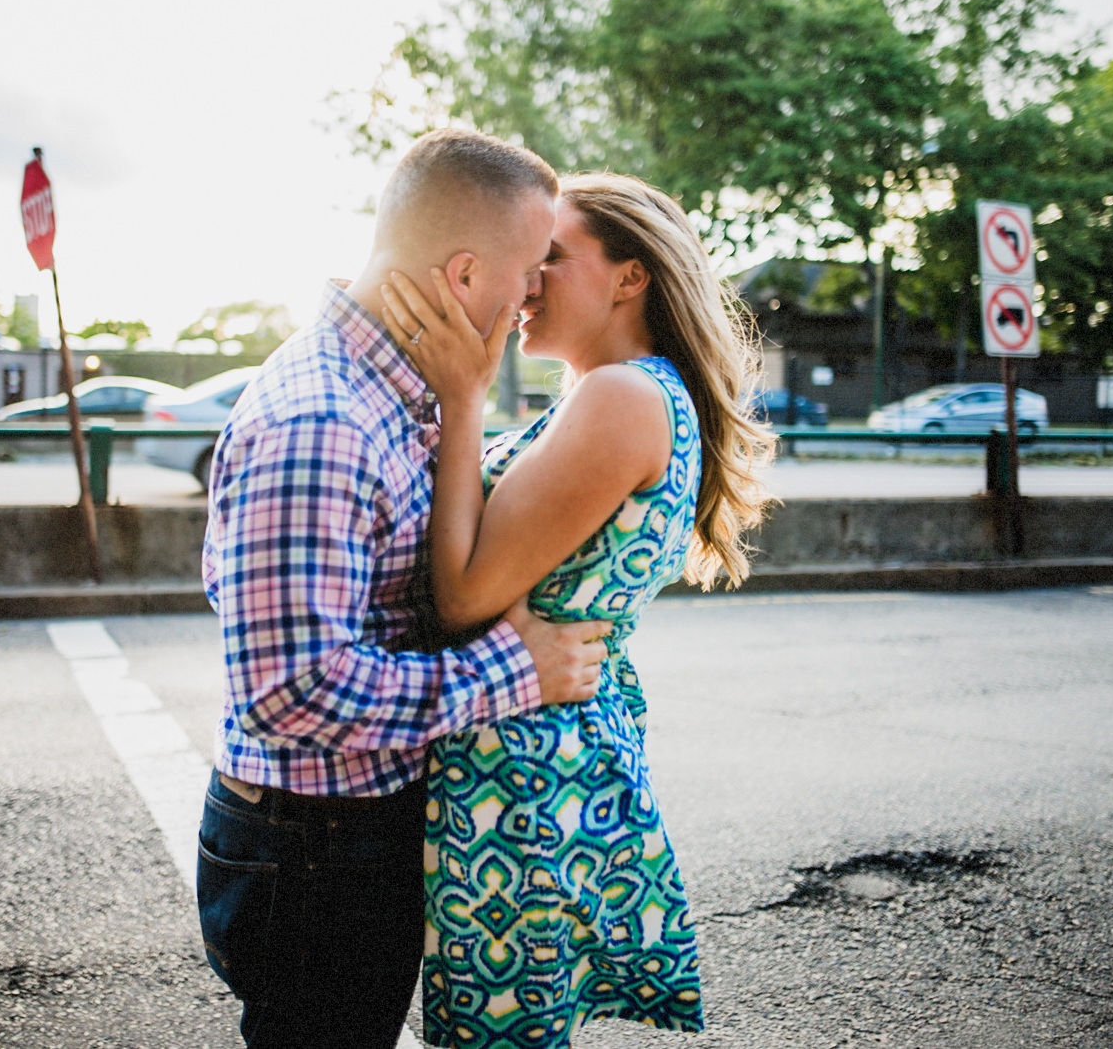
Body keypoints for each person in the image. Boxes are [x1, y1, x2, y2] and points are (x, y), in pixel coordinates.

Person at [195, 129, 615, 1048]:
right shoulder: (324, 419)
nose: (531, 297)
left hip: (338, 834)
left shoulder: (395, 394)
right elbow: (292, 692)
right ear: (465, 276)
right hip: (316, 849)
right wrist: (519, 671)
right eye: (528, 272)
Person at [378, 171, 776, 1046]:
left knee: (493, 1034)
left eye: (551, 258)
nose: (526, 281)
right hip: (541, 744)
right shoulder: (627, 392)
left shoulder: (622, 397)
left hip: (519, 770)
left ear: (630, 277)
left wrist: (463, 396)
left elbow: (463, 594)